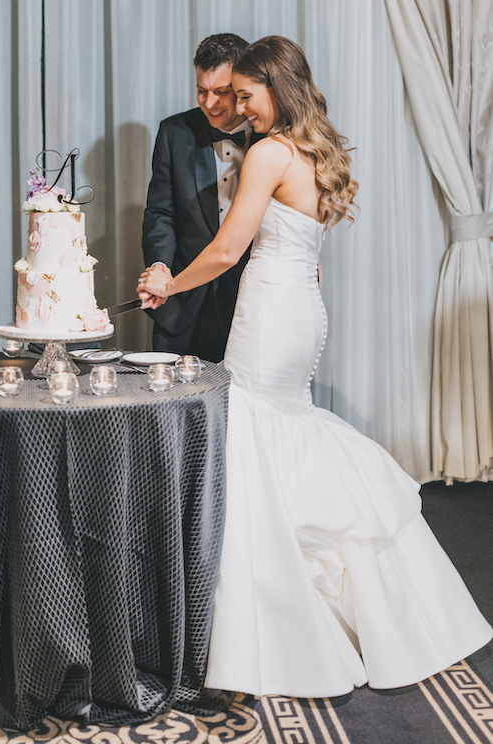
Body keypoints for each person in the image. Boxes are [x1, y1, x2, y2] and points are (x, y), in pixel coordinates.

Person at [138, 36, 492, 698]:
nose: (237, 108)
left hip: (271, 316)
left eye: (246, 95)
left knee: (258, 440)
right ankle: (318, 605)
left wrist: (168, 285)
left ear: (278, 86)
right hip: (301, 310)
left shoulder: (270, 152)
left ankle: (276, 622)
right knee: (285, 437)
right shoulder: (309, 148)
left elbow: (226, 249)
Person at [141, 33, 264, 363]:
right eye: (201, 91)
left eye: (221, 92)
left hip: (252, 303)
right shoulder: (174, 132)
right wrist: (159, 267)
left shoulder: (272, 139)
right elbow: (160, 213)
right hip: (182, 302)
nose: (209, 103)